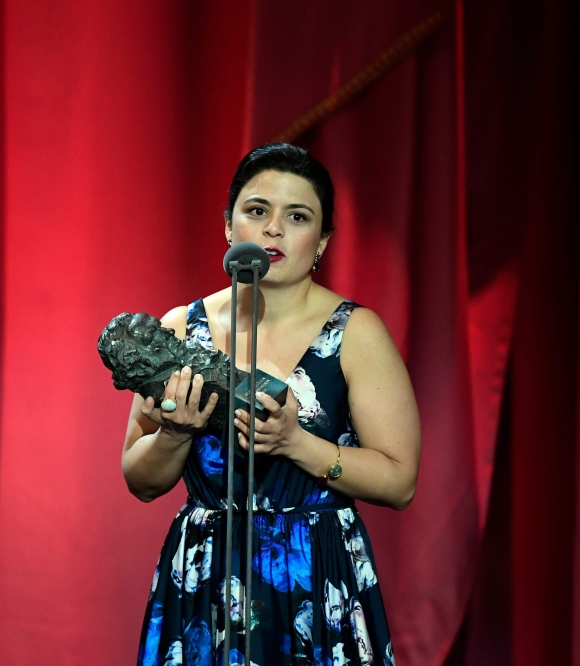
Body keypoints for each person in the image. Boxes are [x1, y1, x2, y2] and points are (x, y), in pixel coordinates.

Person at [123, 144, 420, 665]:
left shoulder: (356, 333)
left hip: (315, 576)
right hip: (205, 580)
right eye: (257, 210)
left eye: (297, 217)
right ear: (228, 225)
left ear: (322, 240)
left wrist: (297, 443)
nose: (273, 229)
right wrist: (174, 434)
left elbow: (400, 482)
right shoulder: (180, 328)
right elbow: (140, 479)